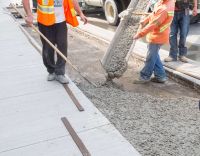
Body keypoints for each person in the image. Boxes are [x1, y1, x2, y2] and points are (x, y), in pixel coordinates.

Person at [22, 0, 87, 84]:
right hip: (45, 22)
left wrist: (80, 13)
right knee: (48, 49)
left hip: (61, 22)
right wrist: (29, 14)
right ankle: (51, 71)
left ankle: (60, 73)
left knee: (62, 47)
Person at [133, 0, 175, 84]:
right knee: (154, 56)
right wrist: (145, 20)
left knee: (150, 58)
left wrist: (140, 34)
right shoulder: (166, 2)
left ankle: (144, 76)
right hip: (160, 34)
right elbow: (154, 14)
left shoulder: (164, 9)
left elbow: (153, 24)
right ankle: (161, 76)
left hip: (157, 36)